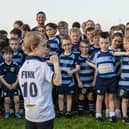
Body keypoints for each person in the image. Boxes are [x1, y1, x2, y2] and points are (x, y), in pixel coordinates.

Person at [18, 32, 61, 129]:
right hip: (44, 113)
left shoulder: (23, 67)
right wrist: (56, 64)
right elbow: (57, 82)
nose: (46, 48)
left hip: (29, 112)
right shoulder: (42, 66)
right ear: (33, 47)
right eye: (43, 46)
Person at [87, 32, 118, 122]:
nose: (104, 45)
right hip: (101, 79)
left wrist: (114, 67)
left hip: (112, 78)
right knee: (100, 97)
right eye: (102, 43)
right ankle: (98, 115)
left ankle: (112, 115)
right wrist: (95, 66)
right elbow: (88, 61)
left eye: (106, 43)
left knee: (111, 97)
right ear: (99, 43)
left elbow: (119, 59)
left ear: (109, 42)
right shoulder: (96, 54)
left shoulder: (112, 53)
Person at [58, 37, 80, 118]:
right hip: (61, 80)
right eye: (65, 45)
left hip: (70, 81)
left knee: (68, 96)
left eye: (68, 44)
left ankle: (68, 111)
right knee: (60, 96)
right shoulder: (60, 56)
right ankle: (61, 111)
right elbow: (57, 66)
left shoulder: (74, 56)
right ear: (62, 46)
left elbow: (78, 67)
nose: (67, 46)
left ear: (71, 45)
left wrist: (72, 71)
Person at [0, 46, 21, 119]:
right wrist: (7, 85)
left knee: (17, 100)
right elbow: (1, 77)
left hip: (15, 85)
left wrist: (15, 83)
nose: (8, 56)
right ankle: (7, 113)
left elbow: (19, 75)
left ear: (12, 55)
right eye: (6, 54)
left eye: (10, 54)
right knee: (7, 101)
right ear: (3, 56)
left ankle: (17, 113)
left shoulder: (15, 65)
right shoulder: (1, 66)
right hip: (6, 86)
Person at [75, 39, 95, 116]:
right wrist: (79, 81)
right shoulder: (78, 58)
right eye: (83, 47)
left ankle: (91, 111)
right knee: (81, 95)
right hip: (82, 82)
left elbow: (94, 70)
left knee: (90, 96)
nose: (85, 49)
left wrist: (94, 81)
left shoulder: (91, 57)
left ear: (89, 48)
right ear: (80, 48)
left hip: (90, 81)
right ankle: (80, 110)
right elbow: (76, 71)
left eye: (87, 47)